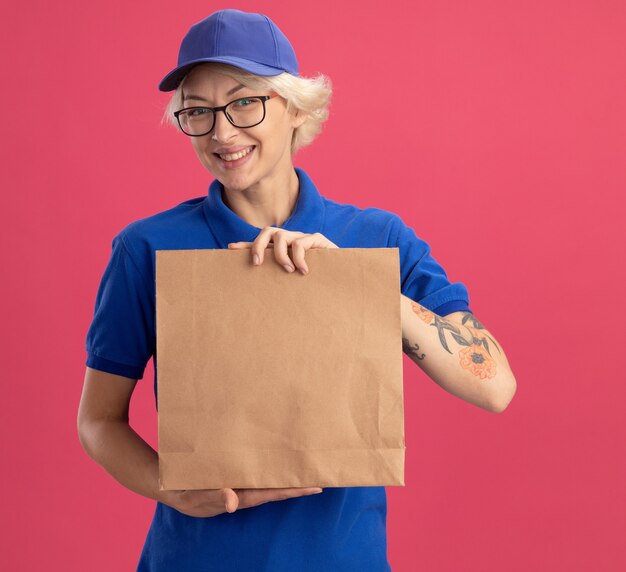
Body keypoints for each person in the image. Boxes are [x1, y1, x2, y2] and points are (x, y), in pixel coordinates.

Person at [77, 9, 517, 571]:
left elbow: (495, 386)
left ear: (294, 108)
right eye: (199, 111)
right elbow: (98, 420)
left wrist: (354, 285)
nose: (222, 132)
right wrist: (168, 488)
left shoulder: (377, 237)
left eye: (243, 103)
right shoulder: (147, 247)